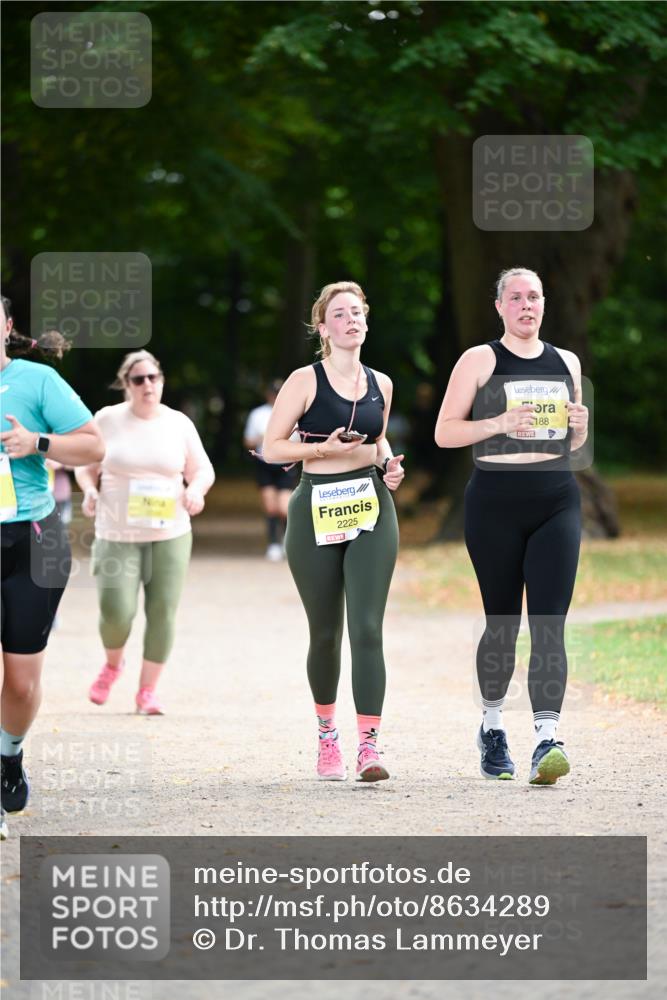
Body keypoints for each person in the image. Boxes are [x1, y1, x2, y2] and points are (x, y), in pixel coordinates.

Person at [435, 267, 589, 786]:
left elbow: (567, 445)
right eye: (517, 297)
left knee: (550, 623)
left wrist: (578, 431)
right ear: (498, 306)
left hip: (556, 500)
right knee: (502, 622)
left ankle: (547, 737)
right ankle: (493, 726)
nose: (528, 305)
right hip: (494, 502)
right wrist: (498, 423)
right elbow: (444, 433)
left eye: (536, 297)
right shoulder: (480, 359)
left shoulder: (566, 361)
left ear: (545, 304)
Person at [263, 281, 405, 782]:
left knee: (367, 628)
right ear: (323, 328)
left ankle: (370, 746)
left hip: (369, 504)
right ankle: (328, 740)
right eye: (341, 314)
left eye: (358, 312)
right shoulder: (304, 380)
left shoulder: (381, 383)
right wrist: (323, 449)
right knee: (325, 633)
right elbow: (273, 448)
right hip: (315, 505)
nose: (352, 320)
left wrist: (390, 467)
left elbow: (381, 438)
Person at [0, 295, 104, 840]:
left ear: (8, 326)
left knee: (19, 683)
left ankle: (9, 754)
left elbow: (93, 446)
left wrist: (35, 442)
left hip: (33, 540)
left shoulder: (37, 382)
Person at [75, 350, 215, 716]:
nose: (148, 385)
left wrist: (196, 490)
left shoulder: (179, 423)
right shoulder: (107, 420)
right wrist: (90, 491)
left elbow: (202, 469)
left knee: (162, 611)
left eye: (154, 377)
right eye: (139, 379)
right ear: (126, 385)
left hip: (170, 531)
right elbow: (85, 467)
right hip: (115, 532)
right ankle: (112, 664)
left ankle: (147, 691)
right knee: (116, 611)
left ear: (162, 381)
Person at [243, 380, 297, 561]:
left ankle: (287, 542)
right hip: (264, 462)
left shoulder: (294, 412)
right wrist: (262, 438)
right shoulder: (258, 414)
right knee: (270, 506)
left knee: (284, 506)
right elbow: (248, 441)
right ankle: (273, 543)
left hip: (285, 463)